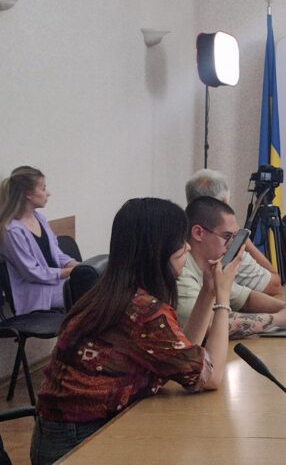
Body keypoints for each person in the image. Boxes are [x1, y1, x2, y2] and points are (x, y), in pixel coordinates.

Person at [30, 198, 243, 464]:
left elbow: (182, 355)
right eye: (180, 241)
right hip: (79, 443)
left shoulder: (116, 292)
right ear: (157, 248)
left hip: (64, 433)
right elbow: (210, 377)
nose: (188, 247)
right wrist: (223, 298)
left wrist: (209, 291)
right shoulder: (142, 311)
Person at [177, 196, 286, 338]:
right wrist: (276, 319)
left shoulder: (212, 266)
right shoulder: (181, 271)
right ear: (198, 233)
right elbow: (208, 325)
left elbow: (246, 299)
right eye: (227, 236)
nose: (232, 245)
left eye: (234, 237)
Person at [185, 169, 281, 295]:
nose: (228, 241)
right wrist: (247, 244)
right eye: (226, 236)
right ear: (224, 203)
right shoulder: (229, 249)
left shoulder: (178, 235)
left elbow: (240, 296)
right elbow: (275, 285)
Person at [0, 166, 78, 315]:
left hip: (55, 283)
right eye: (43, 189)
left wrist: (79, 266)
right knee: (88, 292)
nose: (48, 193)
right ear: (28, 194)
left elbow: (57, 253)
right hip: (36, 291)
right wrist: (68, 272)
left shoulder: (39, 218)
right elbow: (32, 273)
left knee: (94, 282)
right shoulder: (12, 231)